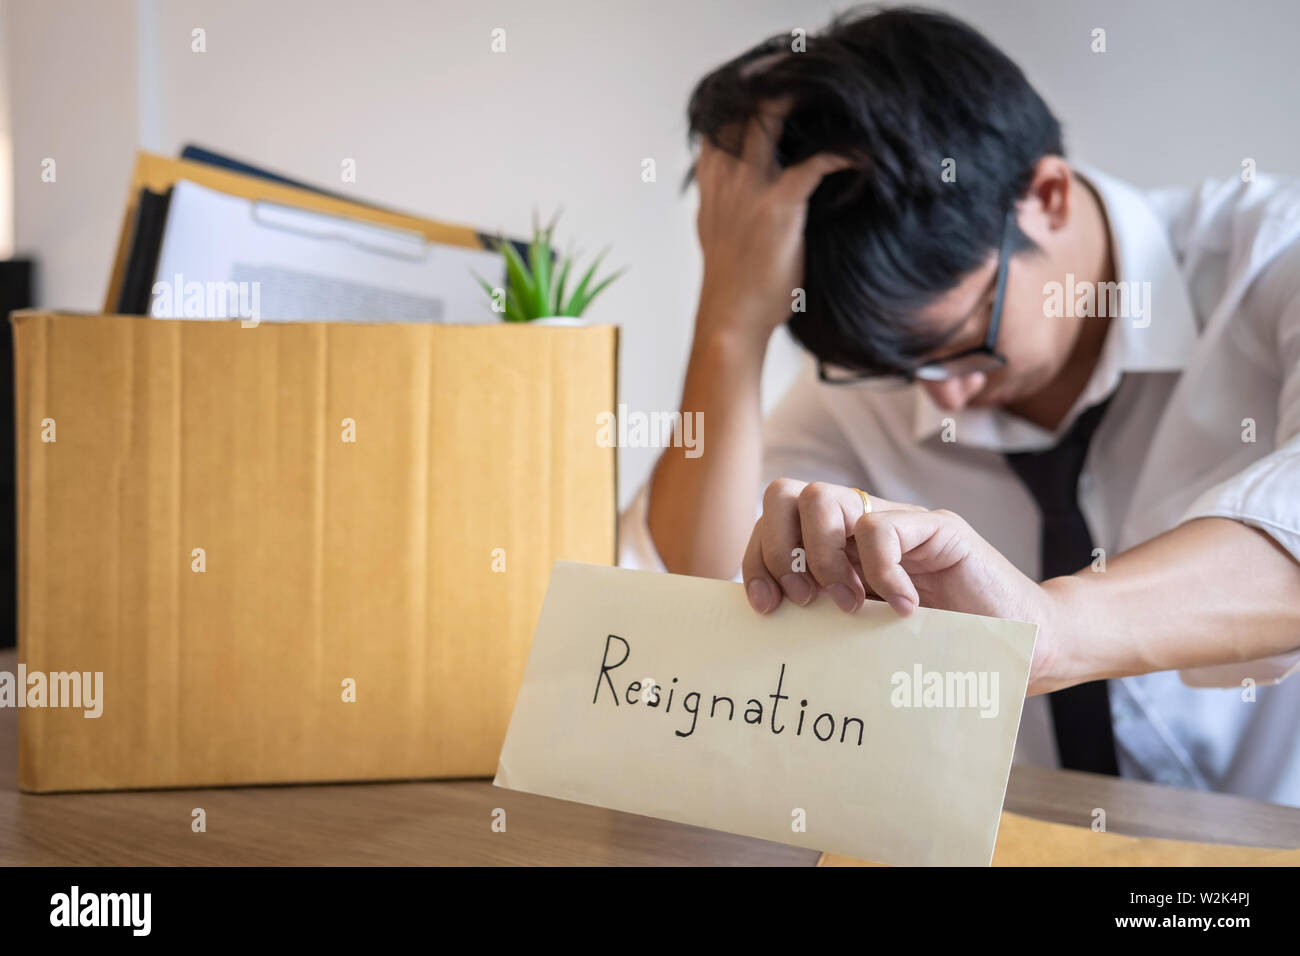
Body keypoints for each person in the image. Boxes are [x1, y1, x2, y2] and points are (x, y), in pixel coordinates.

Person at [618, 6, 1300, 806]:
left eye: (965, 340)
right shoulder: (889, 375)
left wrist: (1048, 630)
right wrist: (731, 325)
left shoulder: (1271, 261)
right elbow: (705, 625)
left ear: (1046, 197)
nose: (941, 396)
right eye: (902, 366)